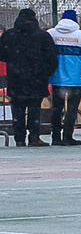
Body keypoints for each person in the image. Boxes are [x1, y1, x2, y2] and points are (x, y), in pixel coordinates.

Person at [47, 10, 81, 146]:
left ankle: (55, 136)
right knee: (72, 108)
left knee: (57, 107)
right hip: (76, 78)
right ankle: (68, 136)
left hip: (57, 77)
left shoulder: (51, 34)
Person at [4, 10, 52, 146]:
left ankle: (19, 138)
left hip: (16, 77)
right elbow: (51, 57)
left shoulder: (9, 35)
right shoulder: (43, 36)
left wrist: (13, 62)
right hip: (37, 77)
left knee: (18, 108)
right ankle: (34, 137)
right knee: (35, 107)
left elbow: (2, 54)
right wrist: (46, 72)